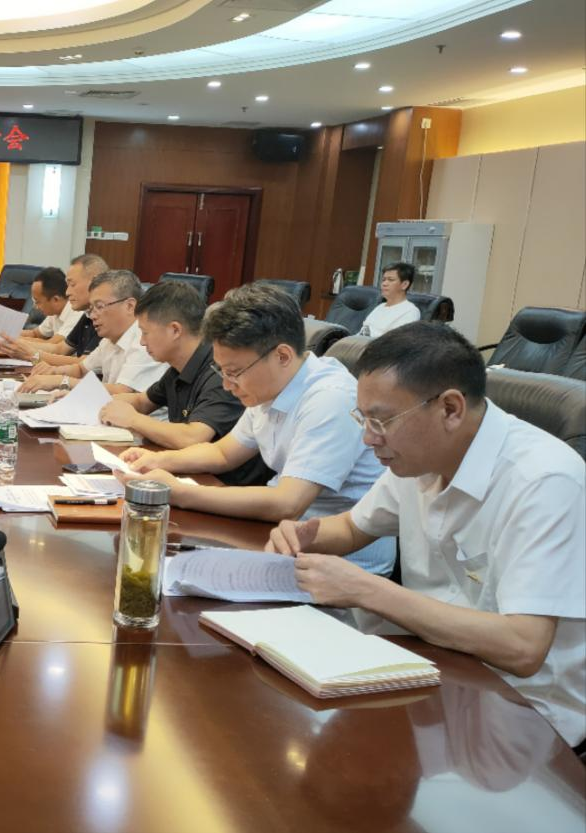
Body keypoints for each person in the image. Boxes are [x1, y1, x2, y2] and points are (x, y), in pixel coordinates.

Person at [265, 322, 585, 749]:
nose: (368, 438)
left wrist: (366, 590)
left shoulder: (544, 481)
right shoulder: (419, 456)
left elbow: (523, 647)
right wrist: (303, 533)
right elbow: (353, 527)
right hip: (427, 665)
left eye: (381, 420)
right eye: (363, 418)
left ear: (450, 409)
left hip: (521, 714)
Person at [120, 283, 393, 574]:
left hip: (341, 564)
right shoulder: (269, 385)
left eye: (234, 372)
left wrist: (178, 492)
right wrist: (157, 460)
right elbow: (223, 453)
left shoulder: (330, 398)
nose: (227, 385)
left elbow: (287, 503)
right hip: (279, 539)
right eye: (222, 371)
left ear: (282, 356)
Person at [99, 282, 272, 486]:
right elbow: (142, 401)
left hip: (222, 484)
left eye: (145, 333)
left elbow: (194, 438)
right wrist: (98, 403)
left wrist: (133, 419)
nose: (142, 342)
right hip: (195, 475)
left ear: (175, 330)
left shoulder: (220, 371)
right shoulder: (179, 367)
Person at [19, 270, 164, 395]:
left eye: (99, 307)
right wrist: (53, 372)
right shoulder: (110, 338)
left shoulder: (144, 341)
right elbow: (81, 369)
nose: (93, 315)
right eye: (92, 308)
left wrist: (62, 381)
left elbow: (122, 392)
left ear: (130, 306)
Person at [0, 253, 106, 364]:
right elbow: (60, 349)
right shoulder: (87, 315)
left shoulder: (105, 318)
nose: (67, 292)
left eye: (72, 285)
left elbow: (83, 364)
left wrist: (31, 355)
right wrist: (11, 341)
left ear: (95, 282)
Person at [360, 262, 421, 337]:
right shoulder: (380, 307)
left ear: (404, 285)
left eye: (390, 280)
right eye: (383, 280)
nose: (384, 284)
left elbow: (396, 341)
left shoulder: (410, 311)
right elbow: (363, 331)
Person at [22, 267, 81, 342]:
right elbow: (35, 334)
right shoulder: (54, 313)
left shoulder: (76, 312)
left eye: (38, 302)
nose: (36, 307)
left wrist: (15, 340)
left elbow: (52, 344)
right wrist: (10, 334)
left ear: (55, 299)